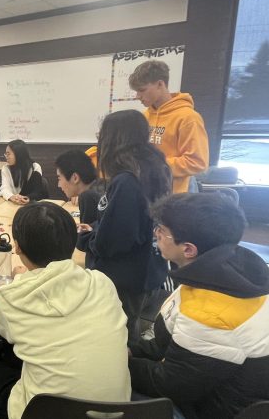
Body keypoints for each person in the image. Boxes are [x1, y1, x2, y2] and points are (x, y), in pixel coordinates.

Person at [0, 202, 130, 419]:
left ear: (17, 247)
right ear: (72, 243)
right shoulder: (102, 282)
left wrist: (17, 283)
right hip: (118, 412)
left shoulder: (10, 298)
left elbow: (3, 330)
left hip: (43, 412)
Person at [129, 193, 269, 419]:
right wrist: (134, 351)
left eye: (162, 230)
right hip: (206, 379)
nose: (156, 234)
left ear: (188, 249)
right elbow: (172, 336)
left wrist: (122, 364)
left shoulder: (210, 311)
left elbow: (169, 384)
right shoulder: (221, 269)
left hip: (214, 408)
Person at [76, 110, 172, 344]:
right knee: (129, 325)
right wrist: (97, 226)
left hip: (126, 277)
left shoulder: (127, 180)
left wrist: (89, 238)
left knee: (116, 336)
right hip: (149, 269)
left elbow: (113, 242)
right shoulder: (156, 167)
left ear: (113, 139)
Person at [129, 60, 209, 193]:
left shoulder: (188, 117)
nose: (138, 96)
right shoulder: (144, 117)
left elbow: (198, 163)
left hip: (176, 193)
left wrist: (153, 165)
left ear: (160, 84)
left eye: (142, 90)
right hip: (148, 189)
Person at [55, 149, 105, 225]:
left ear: (75, 178)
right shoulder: (102, 185)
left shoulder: (87, 196)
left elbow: (86, 234)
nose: (59, 185)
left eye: (59, 178)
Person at [0, 139, 47, 204]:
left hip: (31, 205)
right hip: (12, 204)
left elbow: (38, 192)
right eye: (6, 154)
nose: (6, 157)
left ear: (18, 154)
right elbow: (4, 188)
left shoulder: (34, 167)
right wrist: (11, 197)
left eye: (8, 154)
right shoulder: (6, 168)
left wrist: (27, 198)